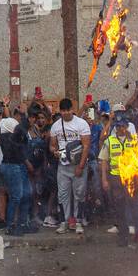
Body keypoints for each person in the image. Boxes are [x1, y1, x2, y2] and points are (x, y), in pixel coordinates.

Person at [101, 113, 138, 245]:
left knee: (136, 207)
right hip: (116, 179)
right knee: (120, 209)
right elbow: (104, 161)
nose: (121, 128)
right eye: (118, 126)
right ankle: (123, 237)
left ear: (127, 126)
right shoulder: (109, 141)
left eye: (123, 126)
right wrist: (104, 179)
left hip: (132, 178)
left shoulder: (134, 140)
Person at [49, 97, 91, 235]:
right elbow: (52, 145)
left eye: (68, 110)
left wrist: (81, 166)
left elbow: (86, 146)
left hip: (78, 164)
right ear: (60, 111)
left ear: (72, 109)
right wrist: (54, 152)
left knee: (79, 194)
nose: (66, 113)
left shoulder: (81, 124)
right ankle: (64, 222)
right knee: (63, 195)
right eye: (63, 110)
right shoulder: (55, 126)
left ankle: (78, 221)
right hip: (63, 166)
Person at [0, 106, 34, 236]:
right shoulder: (10, 124)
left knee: (27, 194)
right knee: (16, 196)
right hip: (12, 165)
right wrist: (27, 162)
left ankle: (22, 224)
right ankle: (10, 226)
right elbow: (17, 149)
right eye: (20, 114)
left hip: (18, 165)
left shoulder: (18, 126)